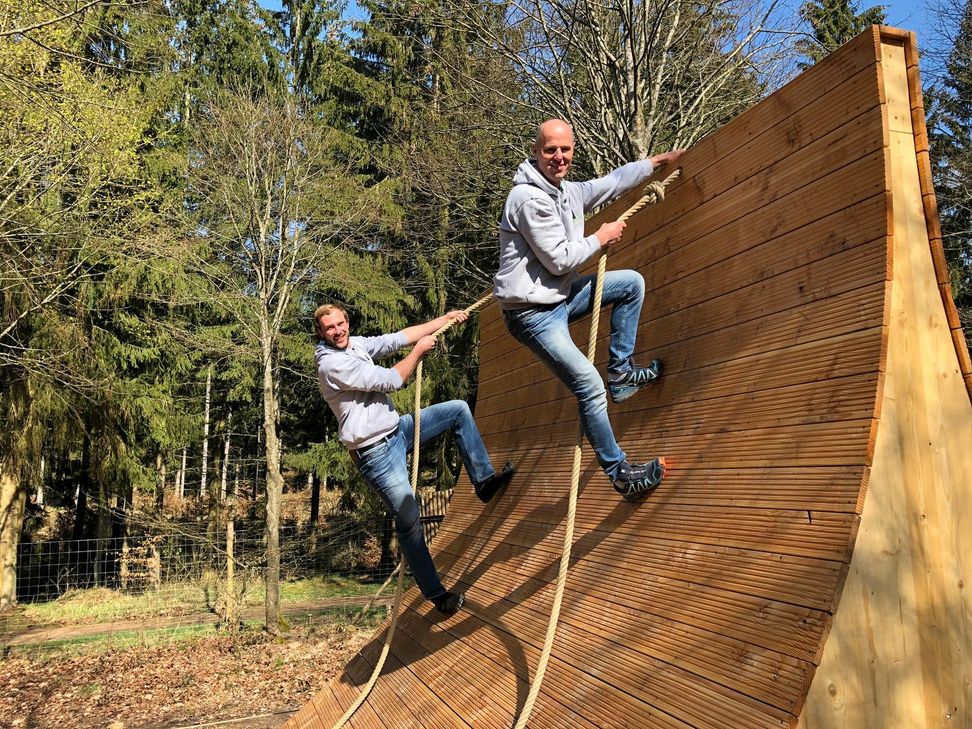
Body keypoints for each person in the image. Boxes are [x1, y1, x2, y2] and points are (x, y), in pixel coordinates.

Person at [493, 118, 685, 501]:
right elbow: (559, 260)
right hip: (532, 315)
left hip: (560, 296)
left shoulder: (565, 191)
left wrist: (654, 163)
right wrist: (601, 237)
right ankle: (620, 475)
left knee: (631, 284)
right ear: (536, 152)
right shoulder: (528, 199)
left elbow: (610, 184)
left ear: (573, 151)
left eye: (565, 150)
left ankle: (621, 374)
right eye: (550, 150)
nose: (559, 157)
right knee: (587, 386)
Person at [314, 303, 516, 615]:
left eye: (341, 324)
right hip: (375, 453)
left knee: (458, 410)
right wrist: (419, 352)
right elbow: (390, 380)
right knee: (409, 516)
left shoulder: (356, 345)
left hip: (398, 430)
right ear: (321, 332)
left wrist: (443, 320)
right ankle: (437, 595)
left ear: (347, 323)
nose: (338, 331)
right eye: (330, 328)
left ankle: (484, 481)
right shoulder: (331, 364)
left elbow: (399, 337)